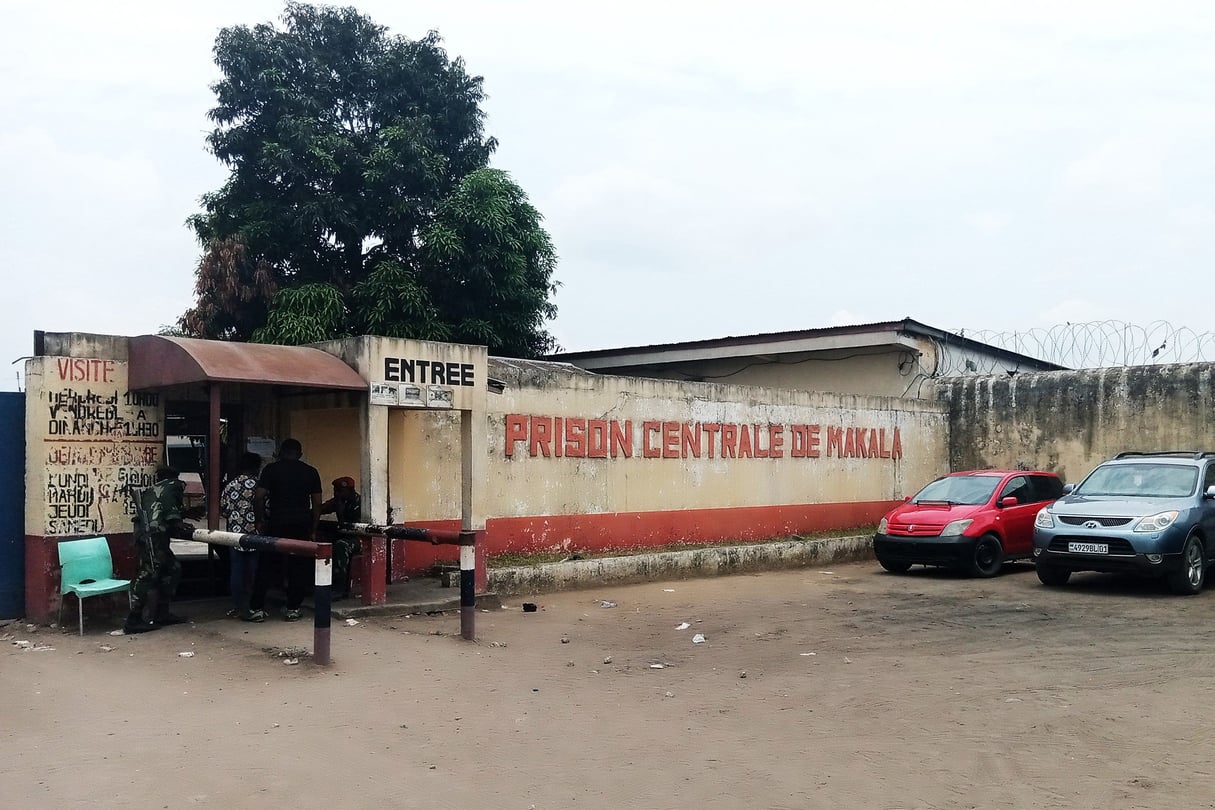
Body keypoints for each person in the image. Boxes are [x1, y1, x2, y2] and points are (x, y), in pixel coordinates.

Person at [250, 438, 322, 622]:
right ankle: (293, 609)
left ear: (281, 452)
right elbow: (317, 503)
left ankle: (256, 608)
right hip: (301, 523)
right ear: (300, 454)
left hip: (277, 522)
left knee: (266, 565)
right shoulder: (311, 472)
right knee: (298, 566)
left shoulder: (271, 470)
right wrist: (313, 529)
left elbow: (259, 497)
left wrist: (259, 520)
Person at [124, 464, 194, 634]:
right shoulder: (173, 485)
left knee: (172, 568)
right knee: (148, 574)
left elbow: (159, 510)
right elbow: (171, 513)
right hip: (154, 537)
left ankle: (162, 612)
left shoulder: (151, 490)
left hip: (146, 535)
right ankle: (133, 619)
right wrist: (180, 523)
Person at [219, 451, 261, 620]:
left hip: (235, 533)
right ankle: (252, 605)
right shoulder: (259, 485)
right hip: (255, 534)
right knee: (253, 571)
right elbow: (266, 507)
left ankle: (238, 605)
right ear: (256, 467)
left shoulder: (231, 485)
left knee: (237, 570)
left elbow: (224, 509)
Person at [320, 476, 362, 600]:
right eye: (335, 490)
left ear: (350, 490)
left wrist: (340, 510)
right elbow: (321, 509)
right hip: (344, 535)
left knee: (341, 546)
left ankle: (340, 588)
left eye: (339, 491)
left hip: (360, 538)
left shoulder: (360, 503)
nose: (336, 493)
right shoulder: (339, 501)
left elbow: (352, 527)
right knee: (320, 542)